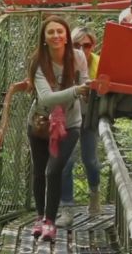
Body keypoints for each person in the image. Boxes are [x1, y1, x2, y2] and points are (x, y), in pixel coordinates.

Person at [27, 16, 90, 242]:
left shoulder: (79, 57)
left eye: (60, 32)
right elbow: (46, 98)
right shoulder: (38, 62)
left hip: (70, 124)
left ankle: (50, 222)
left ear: (66, 36)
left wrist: (89, 92)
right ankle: (40, 217)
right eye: (51, 32)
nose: (56, 36)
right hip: (40, 123)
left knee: (53, 171)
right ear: (44, 38)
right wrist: (77, 91)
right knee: (39, 171)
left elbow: (86, 83)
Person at [56, 27, 102, 227]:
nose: (82, 50)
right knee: (66, 163)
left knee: (90, 160)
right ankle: (67, 209)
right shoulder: (63, 62)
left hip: (89, 115)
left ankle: (94, 194)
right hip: (68, 115)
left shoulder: (100, 63)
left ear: (93, 46)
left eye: (87, 45)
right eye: (77, 45)